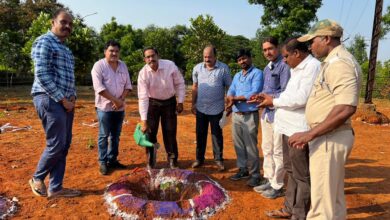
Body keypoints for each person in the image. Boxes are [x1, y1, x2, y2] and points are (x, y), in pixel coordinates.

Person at [288, 19, 362, 219]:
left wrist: (309, 134)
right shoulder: (333, 62)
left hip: (330, 138)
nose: (310, 46)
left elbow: (346, 107)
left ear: (327, 38)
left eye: (313, 41)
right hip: (329, 136)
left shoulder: (340, 64)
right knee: (332, 201)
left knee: (322, 205)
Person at [252, 38, 320, 219]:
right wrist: (269, 98)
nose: (284, 60)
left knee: (302, 175)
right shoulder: (296, 68)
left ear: (297, 53)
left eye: (286, 56)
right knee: (291, 171)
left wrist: (273, 101)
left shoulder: (312, 67)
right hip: (286, 126)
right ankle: (289, 208)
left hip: (298, 129)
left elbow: (301, 98)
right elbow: (289, 95)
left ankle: (299, 214)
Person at [29, 8, 81, 198]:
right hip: (49, 98)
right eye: (63, 22)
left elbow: (69, 78)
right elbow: (42, 74)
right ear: (53, 22)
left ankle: (56, 188)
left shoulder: (65, 49)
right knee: (57, 143)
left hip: (66, 102)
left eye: (70, 24)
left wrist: (72, 97)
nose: (67, 26)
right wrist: (62, 99)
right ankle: (37, 177)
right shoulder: (45, 41)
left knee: (64, 144)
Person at [138, 47, 185, 169]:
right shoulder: (143, 73)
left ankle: (172, 159)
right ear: (145, 60)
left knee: (170, 131)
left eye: (153, 56)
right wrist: (144, 120)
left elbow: (179, 83)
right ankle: (151, 160)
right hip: (152, 103)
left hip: (169, 103)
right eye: (148, 57)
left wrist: (180, 101)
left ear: (157, 55)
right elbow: (142, 97)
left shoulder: (170, 66)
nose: (151, 59)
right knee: (150, 133)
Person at [91, 40, 132, 175]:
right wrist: (115, 100)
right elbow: (99, 88)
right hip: (104, 108)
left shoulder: (123, 66)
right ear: (105, 52)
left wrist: (120, 101)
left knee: (116, 135)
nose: (114, 53)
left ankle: (112, 159)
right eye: (111, 51)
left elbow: (127, 86)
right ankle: (102, 161)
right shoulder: (99, 66)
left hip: (119, 108)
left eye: (116, 51)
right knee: (104, 135)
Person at [257, 37, 290, 199]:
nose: (267, 52)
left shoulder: (284, 66)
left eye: (270, 48)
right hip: (267, 114)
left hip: (279, 114)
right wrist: (260, 97)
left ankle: (277, 185)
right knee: (267, 148)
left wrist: (268, 98)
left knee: (278, 151)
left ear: (277, 48)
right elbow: (266, 90)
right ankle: (269, 179)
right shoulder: (266, 68)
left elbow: (285, 92)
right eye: (264, 50)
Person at [225, 49, 264, 186]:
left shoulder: (257, 73)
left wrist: (234, 99)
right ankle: (243, 169)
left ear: (250, 58)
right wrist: (230, 98)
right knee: (239, 145)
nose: (242, 61)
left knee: (251, 146)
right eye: (239, 59)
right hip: (236, 115)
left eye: (244, 58)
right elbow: (231, 90)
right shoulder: (237, 76)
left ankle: (255, 174)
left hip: (249, 115)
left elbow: (254, 93)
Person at [191, 46, 232, 171]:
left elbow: (229, 87)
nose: (207, 59)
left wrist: (229, 104)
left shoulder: (223, 68)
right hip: (201, 108)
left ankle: (219, 160)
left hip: (217, 108)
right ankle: (199, 159)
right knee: (200, 134)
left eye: (209, 56)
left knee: (216, 135)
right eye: (205, 56)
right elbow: (195, 86)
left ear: (215, 56)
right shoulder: (197, 68)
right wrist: (193, 103)